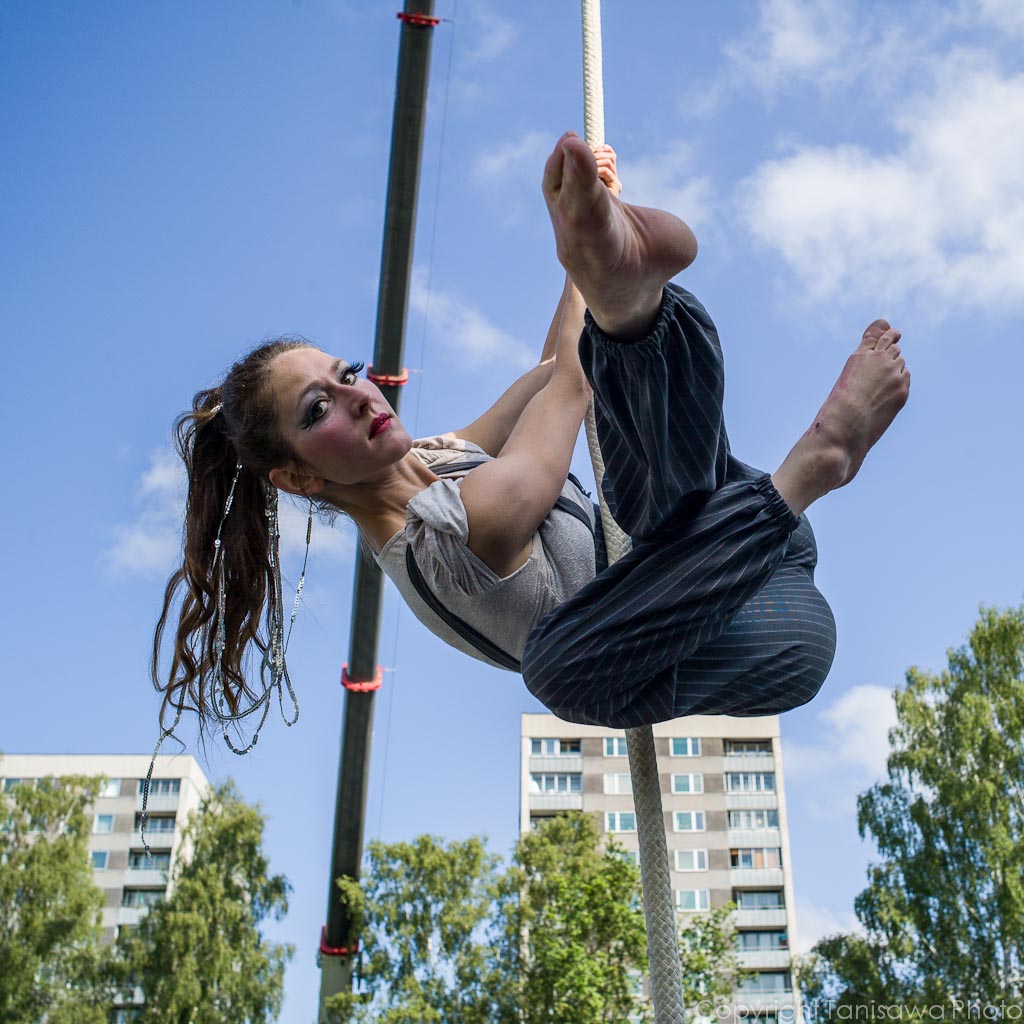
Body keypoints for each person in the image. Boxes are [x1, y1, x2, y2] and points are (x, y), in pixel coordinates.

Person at [152, 134, 909, 744]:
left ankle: (632, 293)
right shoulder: (450, 538)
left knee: (642, 483)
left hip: (726, 520)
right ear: (298, 479)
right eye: (320, 410)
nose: (358, 392)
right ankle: (815, 463)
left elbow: (553, 370)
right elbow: (571, 389)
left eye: (346, 372)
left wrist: (590, 233)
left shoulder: (439, 459)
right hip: (768, 628)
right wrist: (580, 273)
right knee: (557, 667)